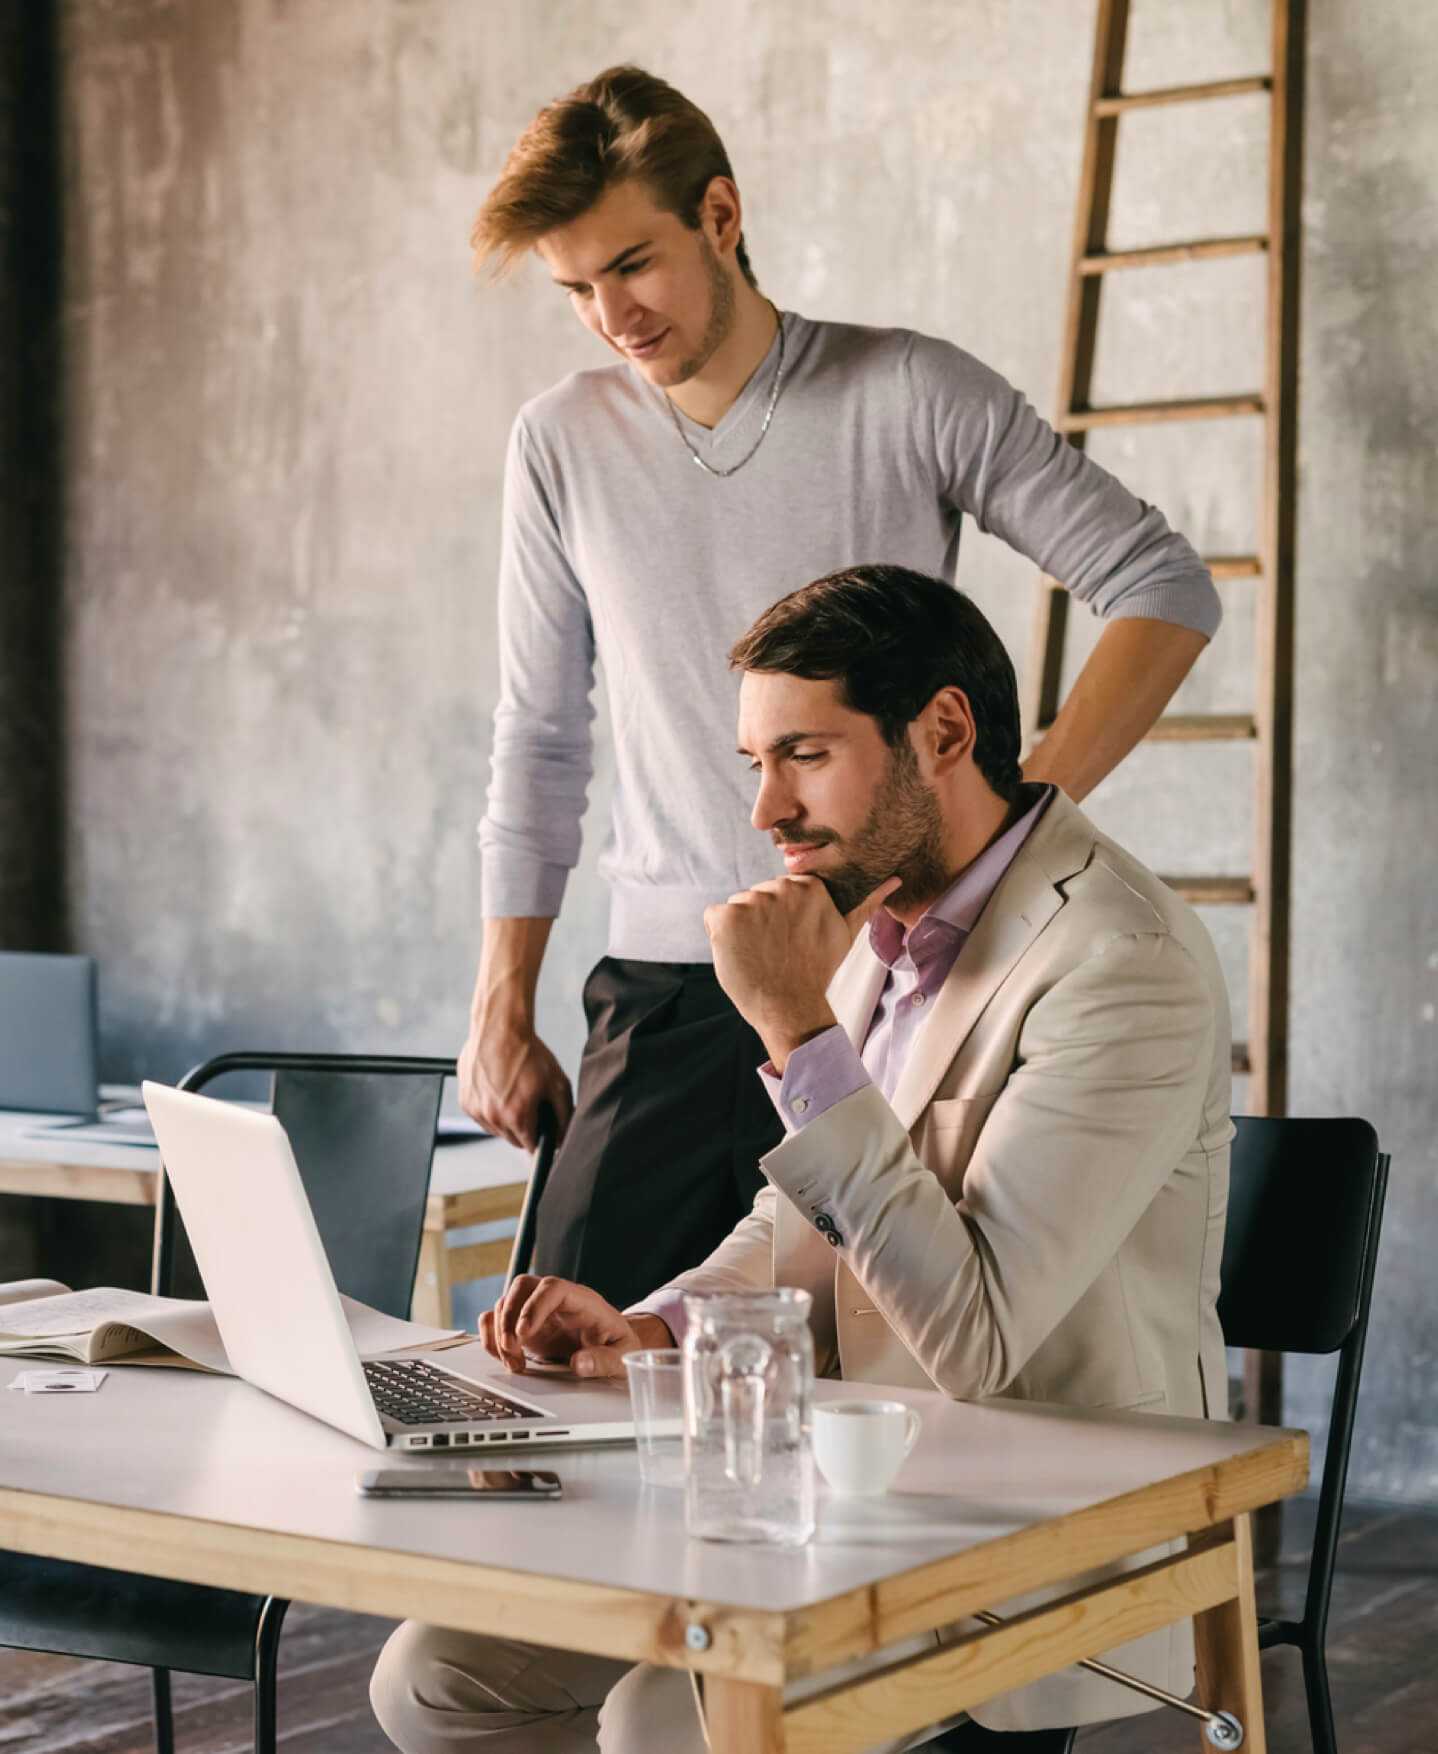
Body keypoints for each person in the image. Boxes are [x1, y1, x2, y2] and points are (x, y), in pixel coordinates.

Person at [373, 565, 1232, 1752]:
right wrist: (658, 1325)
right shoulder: (879, 914)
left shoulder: (1119, 962)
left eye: (805, 755)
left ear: (941, 730)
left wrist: (795, 1029)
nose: (767, 809)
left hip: (1033, 1528)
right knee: (435, 1673)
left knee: (664, 1725)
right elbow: (802, 1224)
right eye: (755, 764)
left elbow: (976, 1339)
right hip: (836, 1488)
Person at [460, 64, 1223, 1312]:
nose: (612, 316)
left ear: (719, 215)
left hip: (888, 971)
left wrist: (1005, 818)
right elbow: (540, 737)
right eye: (577, 289)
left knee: (878, 1361)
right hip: (668, 983)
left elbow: (1160, 584)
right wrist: (499, 1004)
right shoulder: (558, 440)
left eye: (633, 266)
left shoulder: (908, 390)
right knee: (561, 1366)